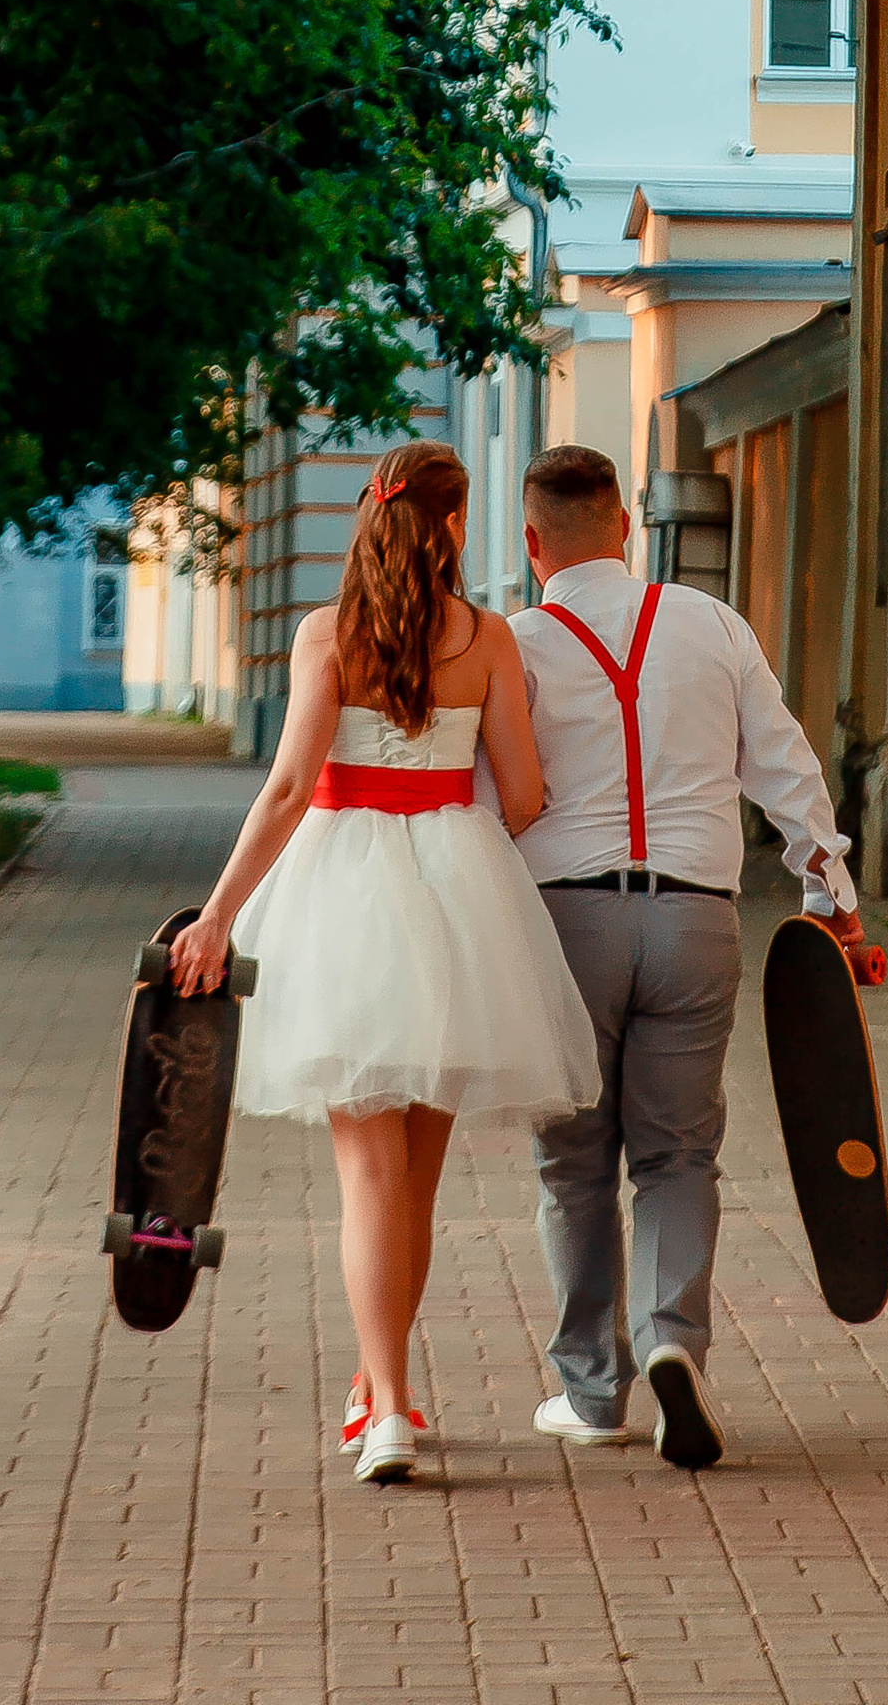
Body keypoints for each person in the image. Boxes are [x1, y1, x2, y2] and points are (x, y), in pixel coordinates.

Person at [166, 439, 599, 1487]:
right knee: (415, 1185)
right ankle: (384, 1391)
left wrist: (219, 916)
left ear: (373, 513)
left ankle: (386, 1407)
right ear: (454, 527)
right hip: (458, 898)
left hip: (341, 894)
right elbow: (527, 794)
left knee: (366, 1178)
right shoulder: (490, 636)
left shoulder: (328, 634)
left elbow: (282, 793)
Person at [510, 442, 863, 1474]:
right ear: (625, 525)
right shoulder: (711, 625)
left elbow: (491, 795)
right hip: (694, 920)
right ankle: (674, 1343)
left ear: (533, 545)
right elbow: (785, 767)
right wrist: (826, 896)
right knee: (675, 1154)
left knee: (572, 1160)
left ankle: (591, 1388)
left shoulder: (515, 644)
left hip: (564, 925)